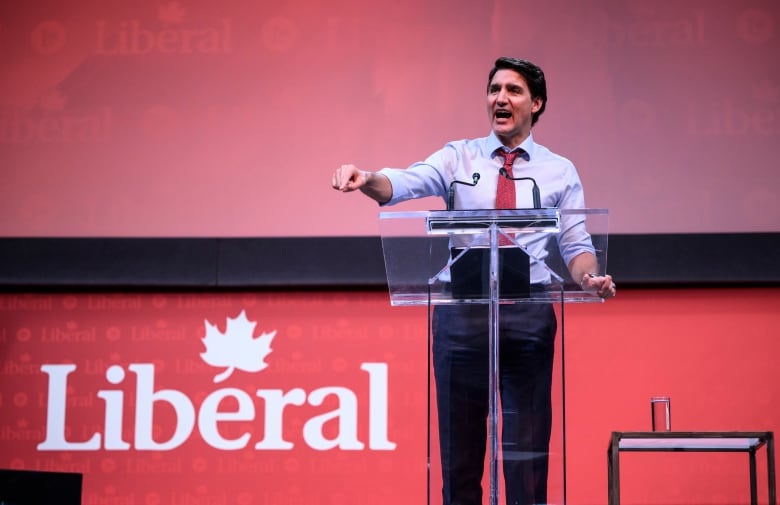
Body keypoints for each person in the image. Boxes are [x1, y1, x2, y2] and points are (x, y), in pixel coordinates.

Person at [331, 57, 615, 505]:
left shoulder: (560, 170)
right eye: (494, 89)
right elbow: (401, 184)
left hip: (528, 319)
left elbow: (576, 244)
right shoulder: (456, 156)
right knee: (460, 464)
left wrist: (590, 277)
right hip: (461, 320)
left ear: (536, 103)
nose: (500, 98)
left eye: (514, 91)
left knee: (527, 464)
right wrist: (365, 178)